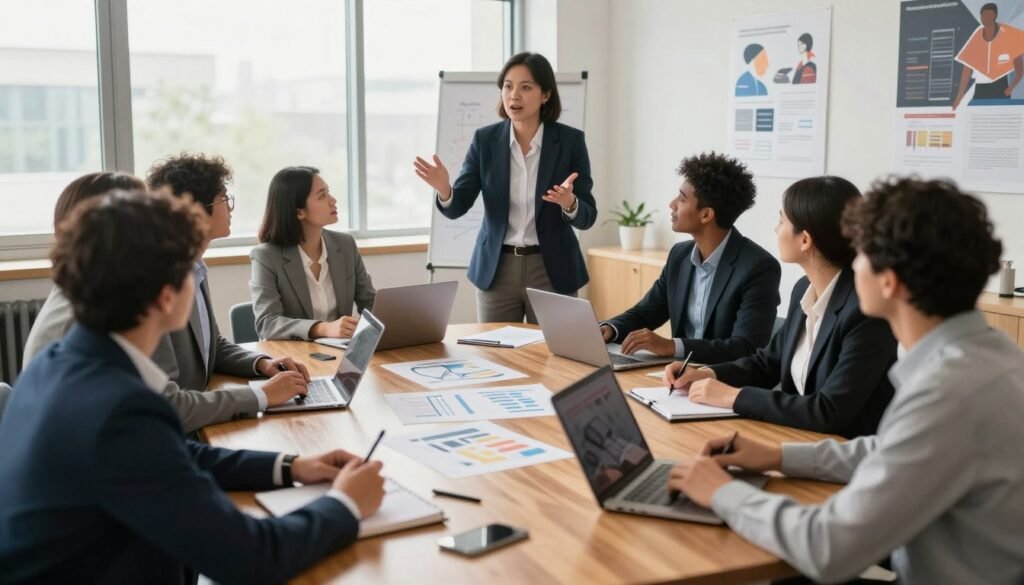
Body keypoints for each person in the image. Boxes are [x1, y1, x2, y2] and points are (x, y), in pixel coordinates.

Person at [0, 190, 386, 584]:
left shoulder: (58, 364)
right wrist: (345, 505)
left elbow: (173, 454)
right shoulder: (119, 410)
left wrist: (292, 466)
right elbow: (250, 557)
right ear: (167, 297)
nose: (199, 274)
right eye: (191, 267)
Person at [666, 177, 1024, 584]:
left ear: (888, 281)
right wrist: (777, 457)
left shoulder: (947, 393)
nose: (852, 263)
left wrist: (722, 492)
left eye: (861, 253)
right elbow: (888, 448)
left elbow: (827, 547)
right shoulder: (989, 356)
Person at [22, 171, 304, 433]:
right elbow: (163, 408)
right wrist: (260, 395)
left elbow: (159, 400)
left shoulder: (94, 295)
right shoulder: (96, 316)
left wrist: (261, 366)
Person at [664, 176, 896, 437]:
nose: (776, 229)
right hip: (799, 439)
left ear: (805, 240)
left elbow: (829, 411)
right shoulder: (803, 289)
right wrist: (705, 374)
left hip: (846, 456)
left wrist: (734, 397)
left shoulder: (866, 311)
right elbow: (767, 364)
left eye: (781, 220)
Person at [413, 52, 597, 323]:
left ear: (545, 94)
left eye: (526, 87)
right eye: (508, 86)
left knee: (553, 358)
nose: (514, 96)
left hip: (552, 268)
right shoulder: (485, 140)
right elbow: (458, 205)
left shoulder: (570, 142)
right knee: (495, 357)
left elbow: (588, 216)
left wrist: (570, 203)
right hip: (497, 269)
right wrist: (445, 190)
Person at [146, 153, 311, 403]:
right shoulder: (156, 283)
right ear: (197, 212)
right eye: (224, 199)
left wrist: (262, 363)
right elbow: (168, 402)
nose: (230, 208)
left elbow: (212, 349)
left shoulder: (196, 267)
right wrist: (260, 395)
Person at [601, 152, 781, 364]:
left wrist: (672, 346)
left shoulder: (758, 267)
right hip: (676, 375)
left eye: (682, 199)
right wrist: (609, 329)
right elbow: (646, 313)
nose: (672, 204)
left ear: (706, 215)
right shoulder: (680, 255)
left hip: (721, 381)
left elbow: (746, 347)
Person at [250, 166, 376, 340]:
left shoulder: (345, 244)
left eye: (328, 192)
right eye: (322, 196)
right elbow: (267, 323)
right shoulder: (266, 256)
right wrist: (322, 329)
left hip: (342, 353)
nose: (333, 200)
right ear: (299, 212)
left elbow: (370, 302)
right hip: (294, 359)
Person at [952, 2, 1024, 109]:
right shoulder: (977, 36)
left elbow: (1020, 68)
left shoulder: (1007, 34)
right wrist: (959, 98)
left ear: (995, 16)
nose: (986, 19)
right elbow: (966, 69)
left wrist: (1011, 88)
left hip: (1000, 86)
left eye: (989, 15)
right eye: (983, 16)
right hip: (980, 88)